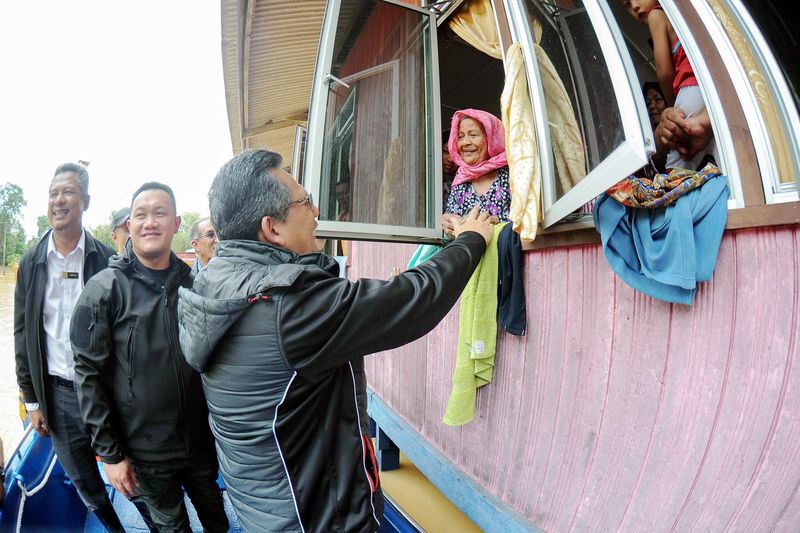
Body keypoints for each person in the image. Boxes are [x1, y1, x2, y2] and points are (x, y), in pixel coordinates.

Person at [176, 149, 494, 532]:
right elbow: (411, 301)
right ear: (272, 228)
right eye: (305, 201)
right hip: (315, 517)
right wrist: (472, 241)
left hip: (264, 505)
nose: (315, 211)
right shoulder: (287, 305)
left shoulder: (214, 281)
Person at [70, 182, 229, 532]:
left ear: (175, 223)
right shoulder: (104, 289)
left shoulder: (194, 285)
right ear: (129, 226)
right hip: (146, 452)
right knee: (171, 527)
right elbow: (88, 376)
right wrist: (110, 455)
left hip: (200, 443)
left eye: (160, 213)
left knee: (217, 519)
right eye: (140, 215)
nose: (150, 222)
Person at [13, 163, 147, 531]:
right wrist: (32, 400)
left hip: (106, 392)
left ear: (85, 201)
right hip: (57, 397)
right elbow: (23, 336)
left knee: (130, 477)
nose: (59, 200)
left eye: (68, 192)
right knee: (86, 484)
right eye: (53, 193)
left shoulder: (106, 260)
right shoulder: (32, 263)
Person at [621, 0, 712, 170]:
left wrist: (672, 105)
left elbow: (664, 73)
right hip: (703, 87)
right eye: (627, 5)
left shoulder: (657, 15)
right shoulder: (679, 18)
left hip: (689, 88)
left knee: (676, 168)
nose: (634, 7)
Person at [441, 109, 510, 237]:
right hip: (466, 255)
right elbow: (451, 227)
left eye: (473, 135)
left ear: (492, 138)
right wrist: (446, 223)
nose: (465, 142)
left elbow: (528, 220)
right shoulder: (461, 179)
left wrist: (498, 223)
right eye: (460, 136)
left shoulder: (512, 174)